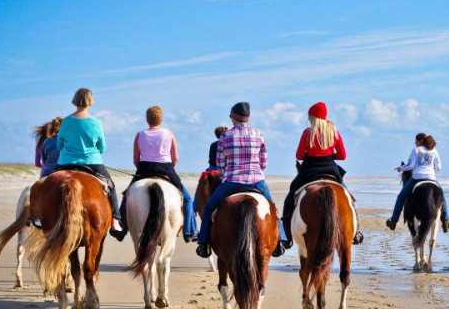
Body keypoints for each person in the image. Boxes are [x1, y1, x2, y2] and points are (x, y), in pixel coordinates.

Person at [196, 102, 289, 258]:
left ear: (233, 117)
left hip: (232, 181)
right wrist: (256, 173)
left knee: (209, 208)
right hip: (256, 180)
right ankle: (280, 240)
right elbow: (263, 162)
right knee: (273, 209)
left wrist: (227, 175)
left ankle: (203, 243)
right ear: (248, 118)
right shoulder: (258, 134)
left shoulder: (225, 136)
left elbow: (220, 164)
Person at [281, 102, 363, 246]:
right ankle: (356, 232)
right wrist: (329, 155)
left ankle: (286, 236)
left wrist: (311, 153)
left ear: (313, 116)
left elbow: (299, 155)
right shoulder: (334, 132)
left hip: (309, 170)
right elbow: (342, 155)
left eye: (309, 116)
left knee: (290, 196)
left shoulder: (308, 132)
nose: (309, 118)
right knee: (349, 197)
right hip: (330, 169)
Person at [118, 106, 198, 242]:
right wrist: (170, 168)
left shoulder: (140, 135)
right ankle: (190, 231)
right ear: (161, 118)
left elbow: (136, 159)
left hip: (144, 168)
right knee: (188, 199)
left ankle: (121, 228)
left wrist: (142, 169)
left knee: (126, 196)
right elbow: (175, 158)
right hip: (165, 168)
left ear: (147, 119)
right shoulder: (169, 133)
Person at [55, 88, 124, 240]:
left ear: (75, 100)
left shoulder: (66, 121)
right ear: (90, 101)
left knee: (47, 183)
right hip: (92, 163)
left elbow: (59, 144)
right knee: (111, 187)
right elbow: (102, 147)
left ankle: (39, 216)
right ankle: (115, 219)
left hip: (66, 163)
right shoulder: (95, 123)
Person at [385, 133, 449, 232]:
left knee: (401, 197)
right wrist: (431, 172)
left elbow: (410, 166)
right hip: (431, 178)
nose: (415, 143)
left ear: (421, 141)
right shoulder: (434, 150)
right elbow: (438, 167)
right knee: (442, 197)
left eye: (416, 140)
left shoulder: (416, 150)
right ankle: (445, 220)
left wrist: (400, 168)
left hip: (417, 178)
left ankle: (393, 220)